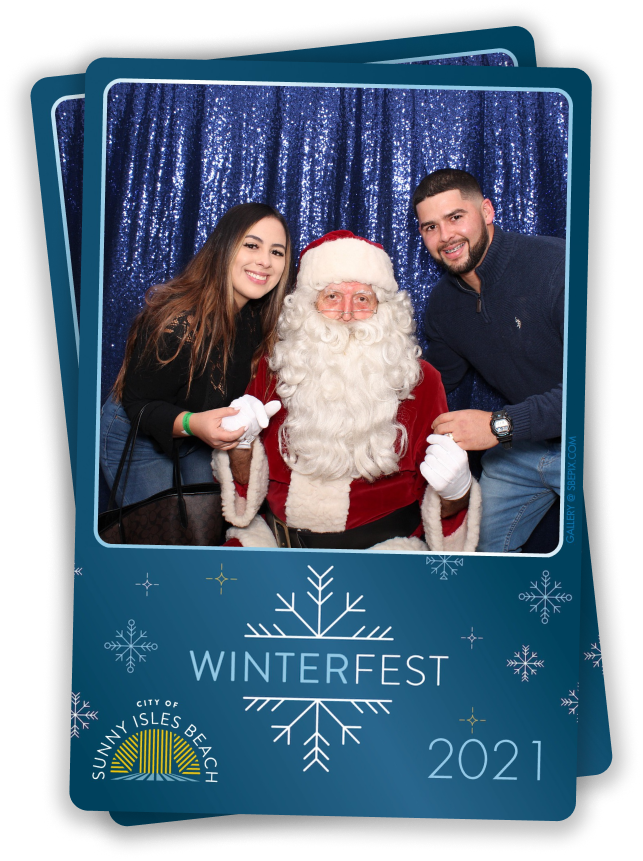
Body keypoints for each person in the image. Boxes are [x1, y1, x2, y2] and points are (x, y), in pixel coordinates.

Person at [210, 230, 481, 552]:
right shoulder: (277, 370)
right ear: (309, 306)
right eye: (333, 297)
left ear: (385, 309)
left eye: (363, 299)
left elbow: (440, 495)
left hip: (383, 554)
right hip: (275, 545)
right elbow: (242, 488)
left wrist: (456, 492)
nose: (347, 313)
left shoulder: (421, 381)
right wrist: (240, 445)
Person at [99, 202, 294, 508]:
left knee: (205, 528)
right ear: (224, 247)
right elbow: (140, 405)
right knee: (166, 537)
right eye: (252, 245)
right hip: (139, 432)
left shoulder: (260, 319)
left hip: (199, 434)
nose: (265, 261)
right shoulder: (178, 321)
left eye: (277, 252)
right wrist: (193, 424)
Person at [413, 168, 565, 552]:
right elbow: (434, 384)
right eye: (430, 227)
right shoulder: (444, 305)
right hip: (524, 449)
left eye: (456, 217)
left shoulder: (559, 268)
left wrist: (499, 425)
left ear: (487, 211)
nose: (445, 237)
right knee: (471, 553)